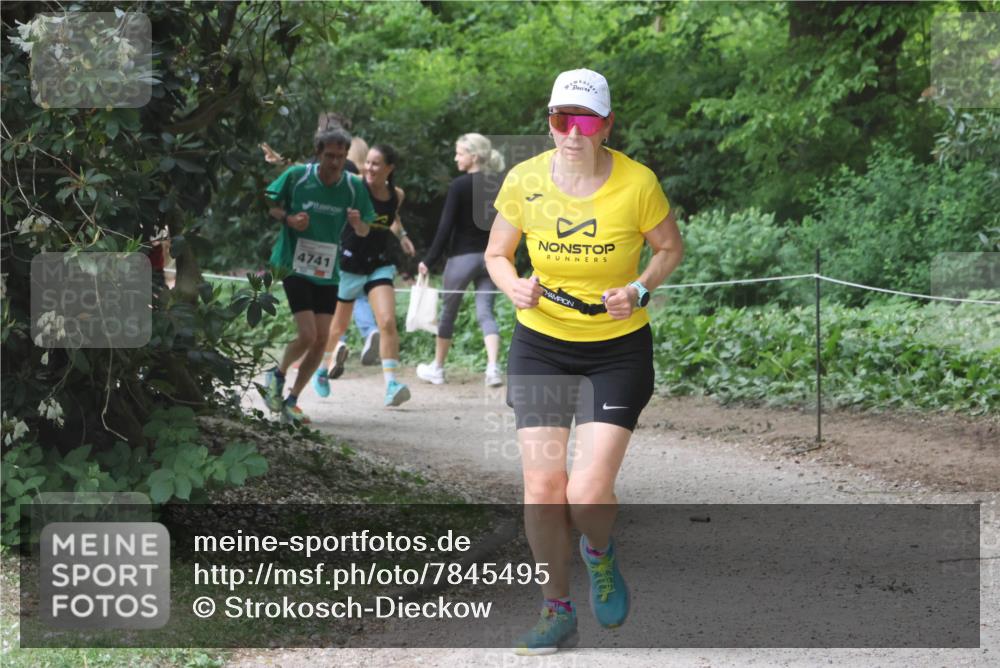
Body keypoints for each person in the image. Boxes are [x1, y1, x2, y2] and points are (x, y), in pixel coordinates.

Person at [484, 68, 683, 655]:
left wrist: (640, 290)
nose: (572, 132)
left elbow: (669, 248)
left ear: (606, 126)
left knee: (588, 493)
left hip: (616, 350)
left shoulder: (637, 183)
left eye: (585, 121)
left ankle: (599, 552)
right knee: (544, 488)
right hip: (541, 346)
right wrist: (511, 284)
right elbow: (498, 252)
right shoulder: (523, 180)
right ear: (548, 122)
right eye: (559, 119)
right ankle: (556, 610)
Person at [262, 128, 375, 424]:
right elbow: (270, 204)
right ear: (318, 153)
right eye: (329, 156)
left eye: (340, 157)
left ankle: (292, 400)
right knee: (308, 333)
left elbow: (365, 229)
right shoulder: (298, 176)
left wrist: (357, 222)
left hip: (327, 269)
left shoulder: (353, 187)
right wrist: (288, 219)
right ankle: (276, 375)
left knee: (322, 338)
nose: (335, 162)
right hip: (293, 263)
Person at [313, 143, 417, 406]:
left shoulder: (397, 194)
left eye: (376, 164)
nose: (369, 168)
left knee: (387, 321)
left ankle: (391, 384)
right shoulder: (354, 186)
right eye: (367, 162)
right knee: (337, 329)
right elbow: (320, 175)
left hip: (378, 264)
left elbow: (392, 216)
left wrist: (402, 236)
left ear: (389, 168)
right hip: (348, 264)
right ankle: (322, 370)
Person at [416, 133, 505, 388]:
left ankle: (438, 368)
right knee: (485, 311)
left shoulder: (459, 186)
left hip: (462, 258)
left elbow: (445, 227)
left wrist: (429, 260)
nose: (456, 158)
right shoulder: (498, 185)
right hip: (491, 258)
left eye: (459, 153)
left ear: (473, 156)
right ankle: (492, 369)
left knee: (448, 313)